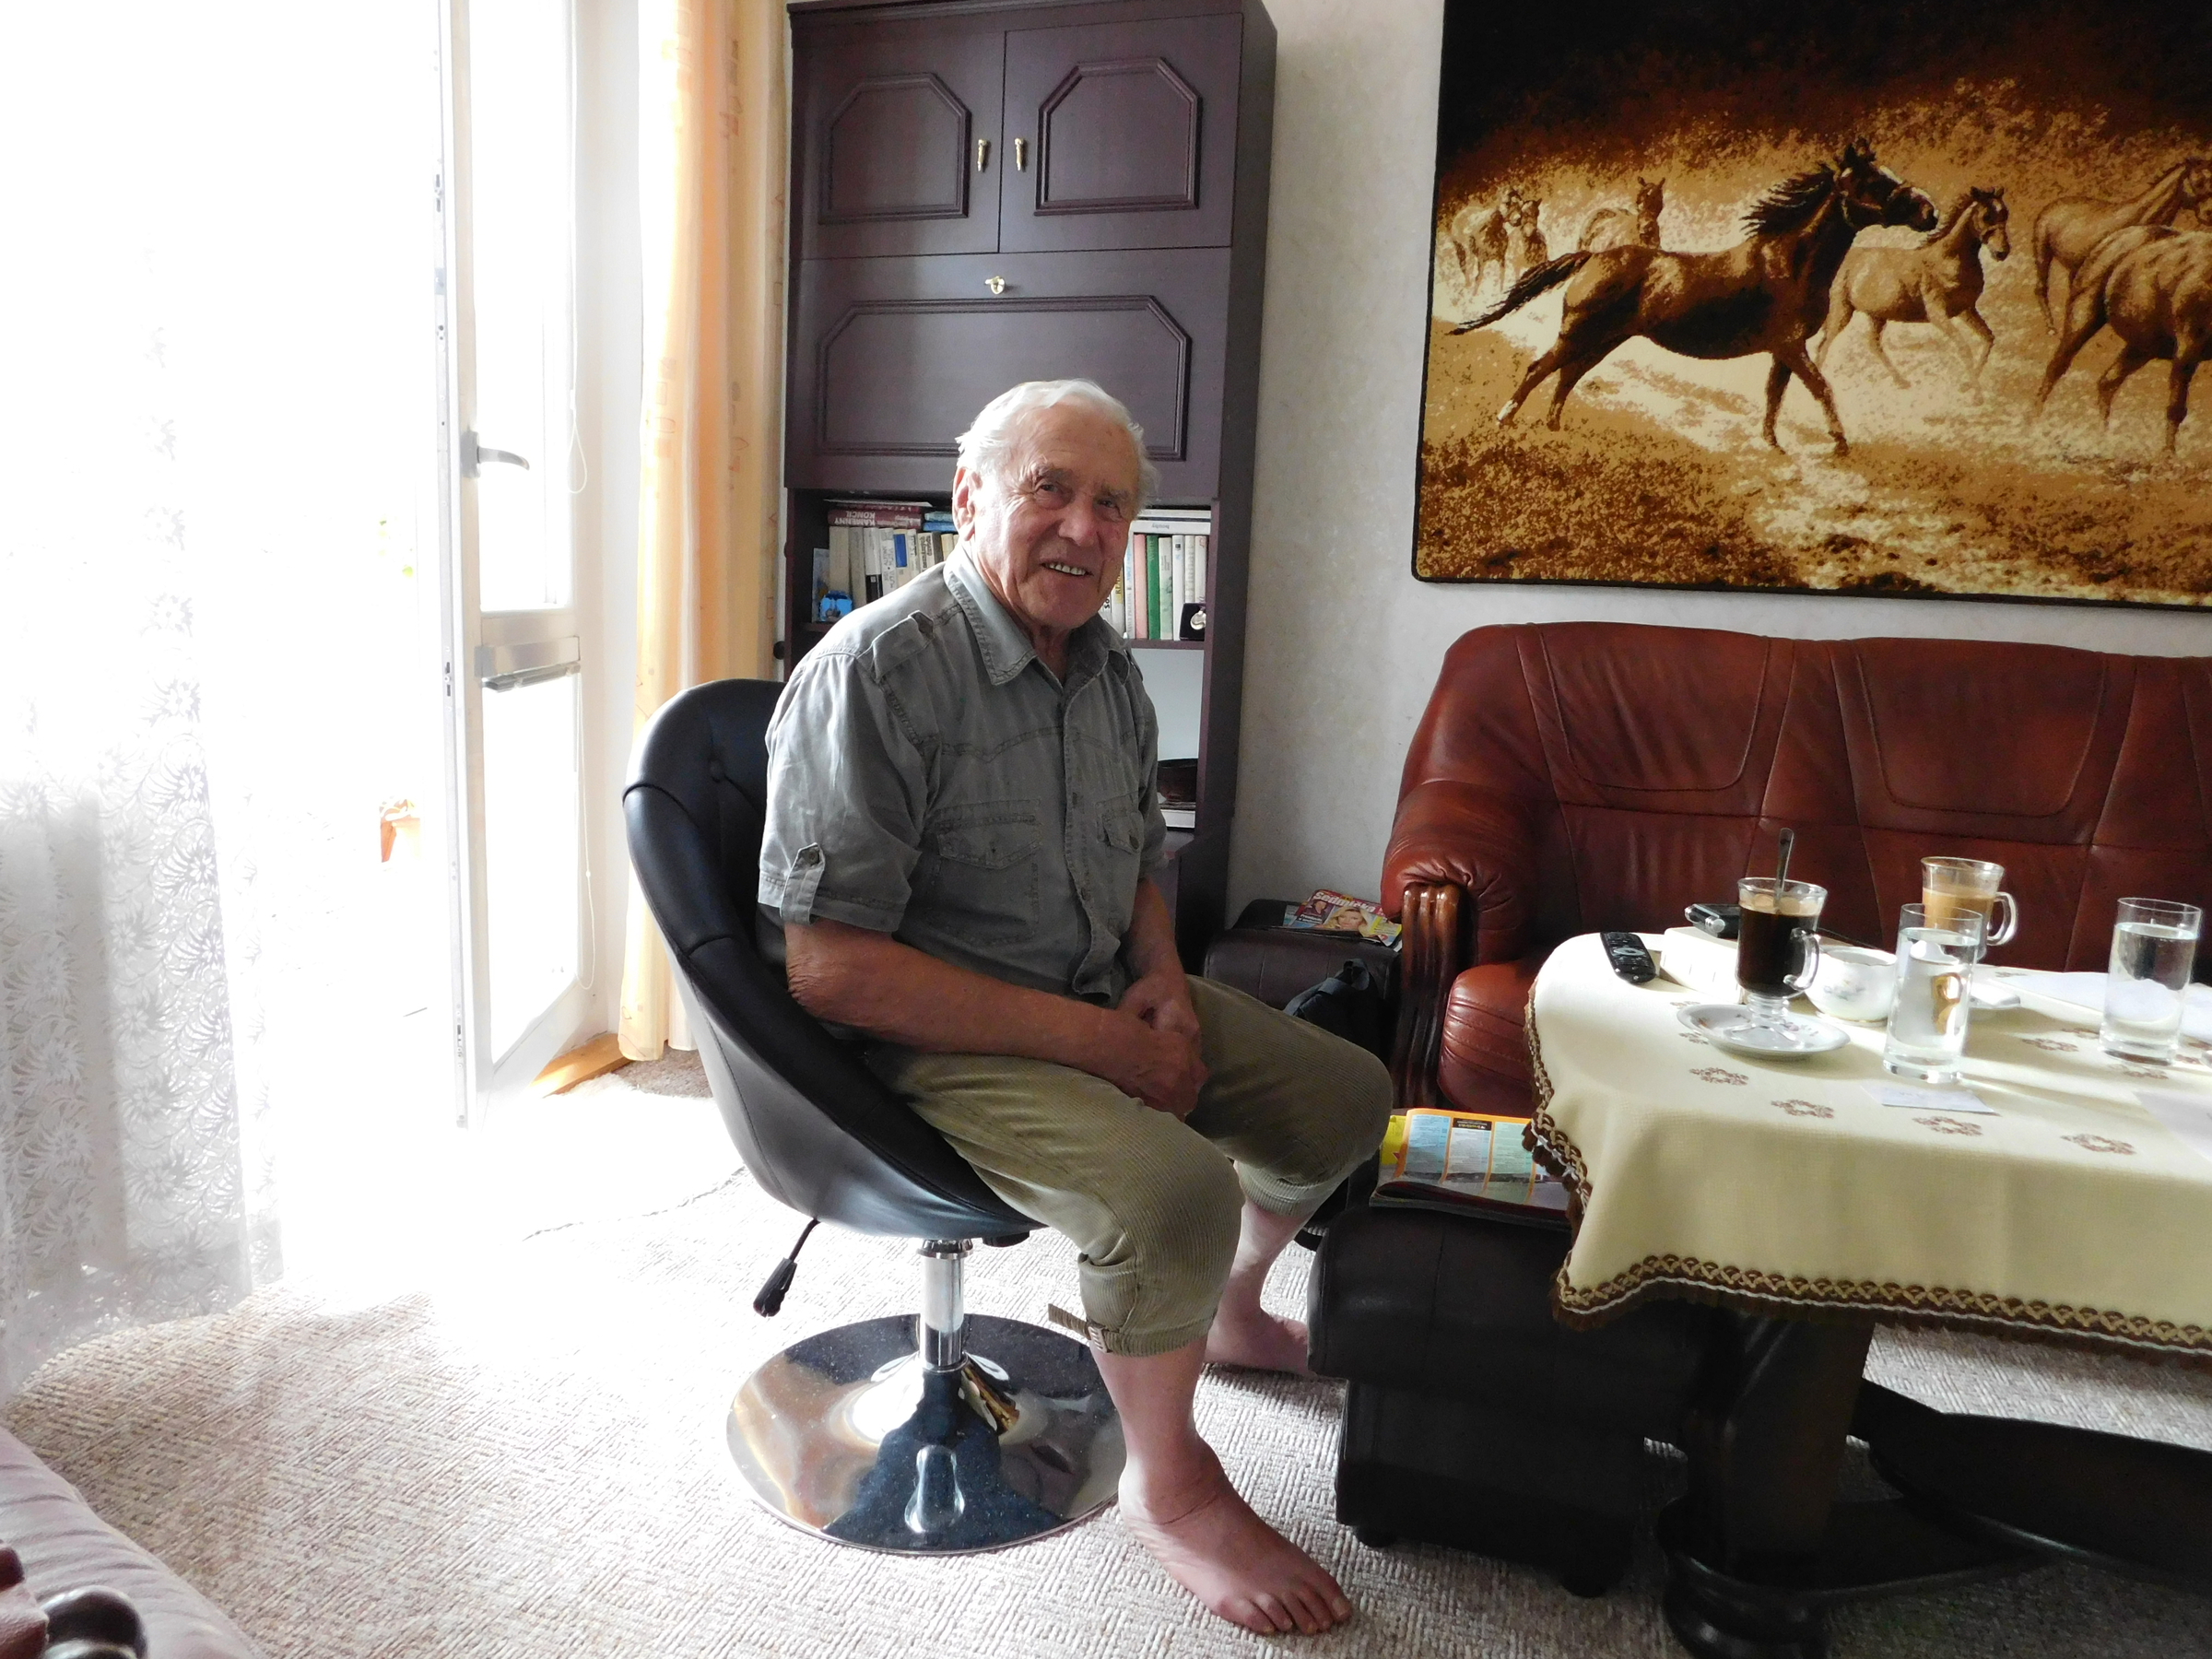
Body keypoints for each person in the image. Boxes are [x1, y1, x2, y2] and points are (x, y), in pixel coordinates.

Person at [759, 379, 1392, 1637]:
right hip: (930, 1039)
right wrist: (1107, 1047)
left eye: (1113, 505)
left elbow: (1139, 863)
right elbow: (833, 971)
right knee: (1173, 1192)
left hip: (1099, 984)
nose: (1086, 529)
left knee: (1347, 1095)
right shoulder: (878, 672)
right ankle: (1171, 1485)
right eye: (1050, 488)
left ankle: (1225, 1311)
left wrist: (1158, 981)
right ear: (970, 497)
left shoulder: (1106, 670)